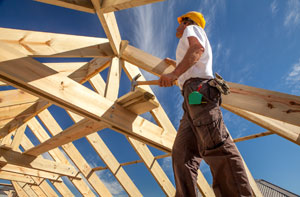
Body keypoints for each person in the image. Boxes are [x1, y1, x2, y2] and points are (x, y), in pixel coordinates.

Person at [159, 11, 253, 197]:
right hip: (190, 98)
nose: (177, 26)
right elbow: (194, 57)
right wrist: (175, 64)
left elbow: (196, 50)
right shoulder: (189, 36)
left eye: (180, 22)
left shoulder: (192, 29)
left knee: (215, 145)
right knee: (182, 155)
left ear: (187, 22)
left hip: (199, 92)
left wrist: (174, 73)